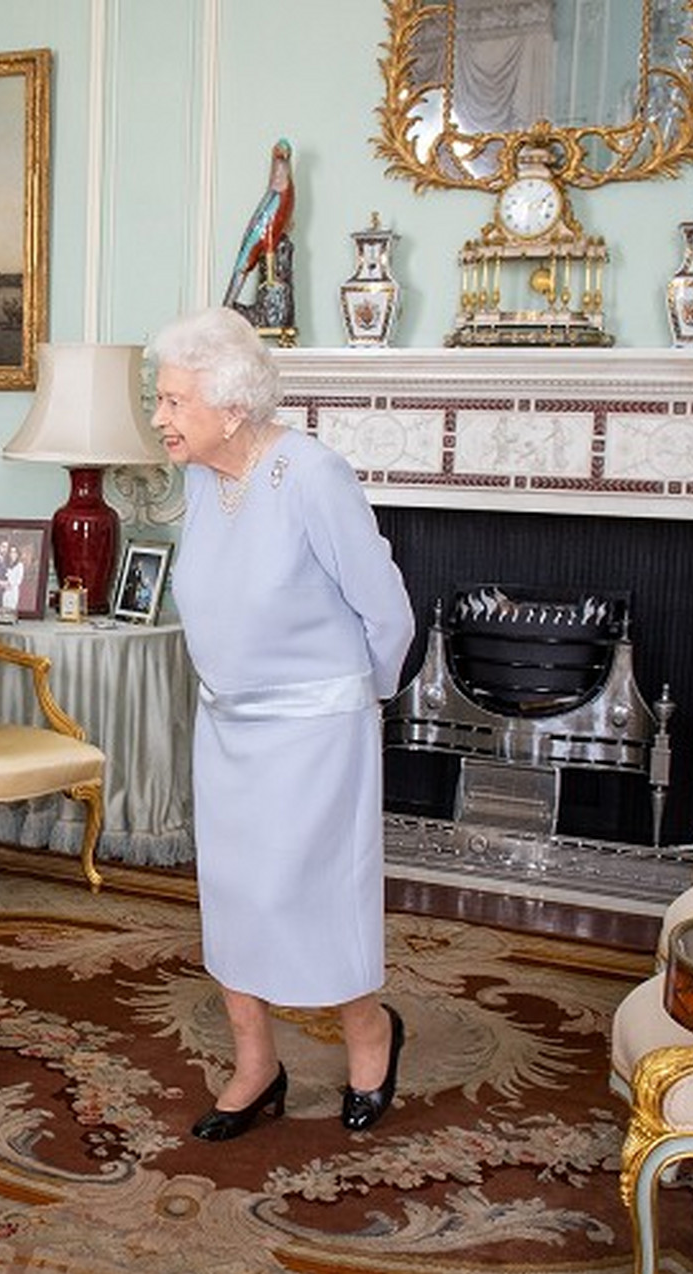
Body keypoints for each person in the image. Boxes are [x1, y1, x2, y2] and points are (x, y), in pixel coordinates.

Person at [149, 306, 415, 1142]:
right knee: (235, 898)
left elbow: (387, 609)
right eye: (159, 401)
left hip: (315, 732)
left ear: (230, 408)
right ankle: (256, 1063)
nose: (158, 419)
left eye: (172, 403)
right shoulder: (200, 475)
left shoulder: (311, 474)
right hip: (229, 726)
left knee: (315, 896)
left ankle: (369, 1032)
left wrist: (354, 701)